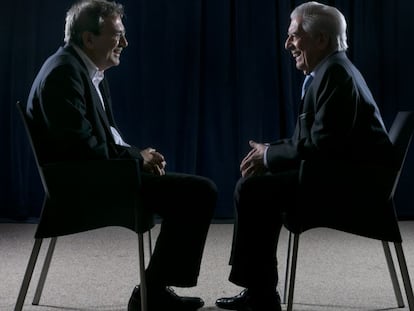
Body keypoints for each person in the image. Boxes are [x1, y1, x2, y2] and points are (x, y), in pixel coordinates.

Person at [25, 1, 217, 310]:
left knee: (191, 191)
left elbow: (100, 140)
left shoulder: (84, 70)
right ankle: (151, 294)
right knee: (198, 193)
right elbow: (82, 148)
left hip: (100, 174)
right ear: (89, 39)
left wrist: (138, 158)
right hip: (84, 187)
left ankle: (152, 291)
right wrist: (137, 158)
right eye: (117, 35)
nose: (125, 43)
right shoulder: (64, 74)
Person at [215, 2, 397, 311]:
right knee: (260, 185)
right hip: (342, 176)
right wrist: (268, 153)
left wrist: (270, 156)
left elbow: (321, 146)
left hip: (354, 191)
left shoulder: (335, 74)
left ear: (321, 40)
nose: (288, 44)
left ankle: (260, 294)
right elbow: (312, 141)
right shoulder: (330, 70)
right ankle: (260, 291)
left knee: (252, 190)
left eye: (294, 36)